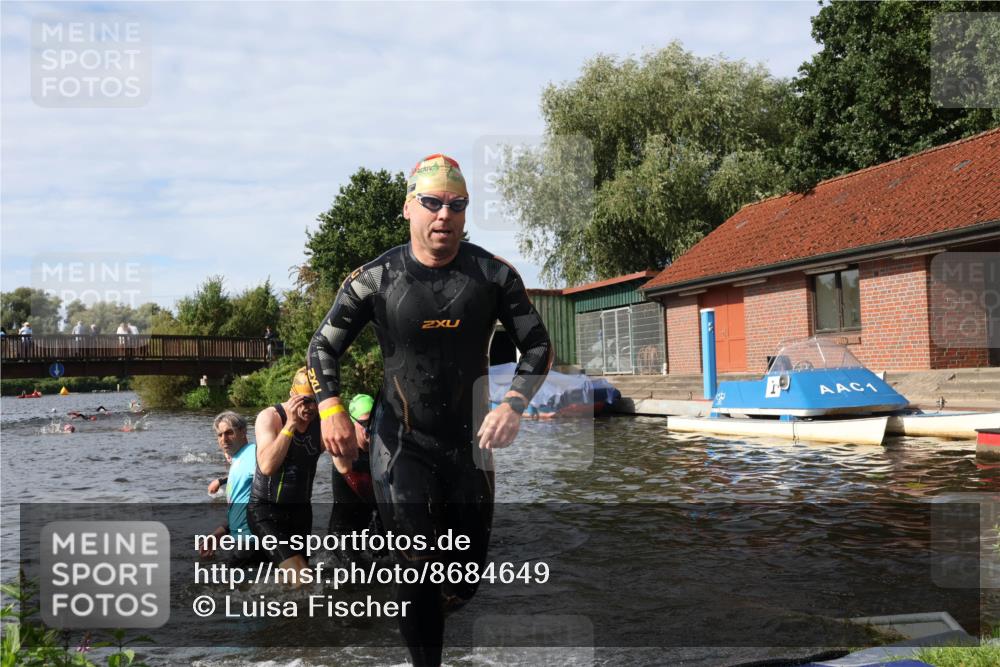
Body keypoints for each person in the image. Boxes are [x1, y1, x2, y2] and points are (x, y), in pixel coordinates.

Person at [307, 153, 552, 666]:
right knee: (415, 563)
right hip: (400, 445)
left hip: (470, 448)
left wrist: (513, 404)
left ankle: (420, 610)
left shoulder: (492, 275)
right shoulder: (374, 279)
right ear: (409, 208)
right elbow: (322, 348)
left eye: (457, 205)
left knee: (461, 582)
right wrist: (330, 406)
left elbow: (538, 347)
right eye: (433, 202)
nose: (445, 214)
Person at [247, 367, 323, 585]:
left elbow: (344, 463)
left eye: (317, 401)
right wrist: (290, 425)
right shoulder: (270, 418)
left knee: (292, 583)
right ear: (292, 396)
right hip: (266, 511)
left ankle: (284, 618)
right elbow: (267, 466)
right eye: (305, 401)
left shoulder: (322, 421)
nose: (310, 408)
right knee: (303, 579)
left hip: (301, 512)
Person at [199, 411, 261, 565]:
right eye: (220, 435)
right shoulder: (238, 458)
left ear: (243, 432)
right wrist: (220, 533)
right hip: (242, 539)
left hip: (253, 540)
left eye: (229, 433)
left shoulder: (254, 453)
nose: (224, 439)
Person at [327, 393, 382, 563]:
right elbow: (366, 493)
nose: (369, 428)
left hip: (369, 529)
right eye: (364, 423)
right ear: (351, 424)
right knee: (358, 577)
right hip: (342, 533)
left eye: (374, 422)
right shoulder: (343, 453)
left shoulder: (382, 450)